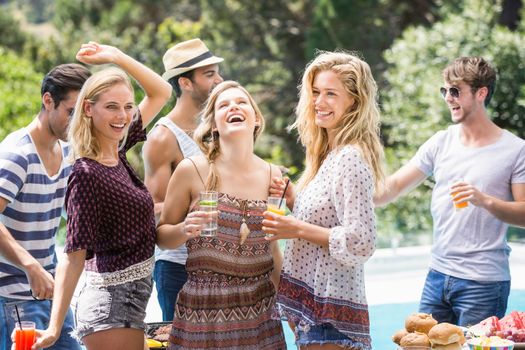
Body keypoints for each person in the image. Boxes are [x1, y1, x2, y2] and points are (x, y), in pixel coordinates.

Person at [29, 42, 171, 350]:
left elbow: (161, 91)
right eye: (111, 107)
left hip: (132, 301)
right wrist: (54, 327)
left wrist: (116, 57)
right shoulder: (86, 173)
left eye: (128, 107)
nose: (122, 116)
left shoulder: (117, 149)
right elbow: (73, 255)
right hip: (110, 305)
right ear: (88, 109)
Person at [374, 57, 525, 326]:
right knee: (419, 345)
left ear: (481, 93)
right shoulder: (441, 141)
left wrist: (485, 200)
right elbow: (393, 188)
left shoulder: (515, 150)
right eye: (444, 91)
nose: (448, 98)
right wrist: (348, 192)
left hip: (484, 283)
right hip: (438, 276)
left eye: (455, 91)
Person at [263, 51, 385, 350]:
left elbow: (361, 242)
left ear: (354, 101)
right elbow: (328, 223)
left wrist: (296, 229)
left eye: (331, 93)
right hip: (316, 313)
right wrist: (294, 199)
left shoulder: (350, 158)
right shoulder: (327, 155)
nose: (319, 101)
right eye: (316, 92)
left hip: (332, 319)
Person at [156, 80, 286, 349]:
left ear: (256, 118)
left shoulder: (274, 176)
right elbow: (161, 237)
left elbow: (272, 250)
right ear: (214, 124)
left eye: (241, 102)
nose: (233, 107)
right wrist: (183, 230)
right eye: (223, 105)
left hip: (260, 314)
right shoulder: (191, 169)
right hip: (203, 313)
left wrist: (292, 312)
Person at [0, 63, 90, 350]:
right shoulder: (17, 155)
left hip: (51, 295)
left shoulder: (65, 152)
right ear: (48, 101)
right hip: (14, 298)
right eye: (70, 112)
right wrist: (30, 266)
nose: (76, 122)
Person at [142, 38, 223, 321]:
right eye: (209, 74)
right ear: (185, 83)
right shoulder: (163, 138)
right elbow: (151, 210)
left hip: (221, 265)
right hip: (178, 268)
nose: (219, 80)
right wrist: (193, 204)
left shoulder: (218, 127)